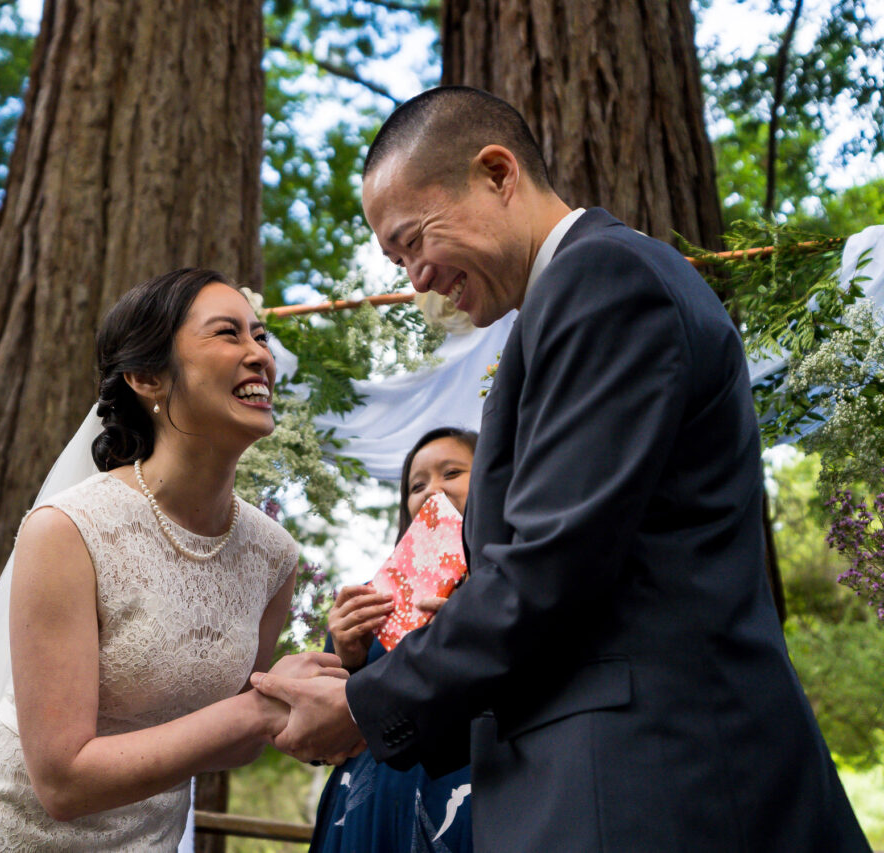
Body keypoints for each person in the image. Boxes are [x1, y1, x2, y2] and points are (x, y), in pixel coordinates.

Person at [253, 86, 871, 851]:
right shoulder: (564, 303)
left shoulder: (605, 280)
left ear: (498, 173)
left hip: (650, 779)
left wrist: (364, 703)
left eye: (413, 240)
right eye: (397, 257)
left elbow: (549, 565)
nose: (413, 277)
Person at [0, 268, 343, 852]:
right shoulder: (69, 530)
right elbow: (62, 780)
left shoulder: (273, 555)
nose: (260, 355)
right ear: (147, 377)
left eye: (260, 336)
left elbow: (236, 742)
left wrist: (295, 697)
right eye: (229, 334)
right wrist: (259, 708)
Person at [310, 427, 477, 853]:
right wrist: (347, 656)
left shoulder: (507, 590)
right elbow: (322, 738)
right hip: (366, 806)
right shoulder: (373, 599)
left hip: (469, 796)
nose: (431, 491)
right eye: (416, 485)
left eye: (451, 473)